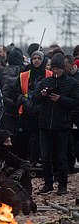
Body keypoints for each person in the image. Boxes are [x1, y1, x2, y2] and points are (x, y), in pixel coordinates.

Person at [32, 53, 79, 195]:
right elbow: (35, 99)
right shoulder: (45, 82)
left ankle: (62, 184)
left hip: (62, 126)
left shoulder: (72, 83)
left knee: (61, 156)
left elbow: (75, 102)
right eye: (54, 69)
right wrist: (42, 95)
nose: (56, 71)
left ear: (63, 68)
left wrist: (60, 99)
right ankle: (48, 183)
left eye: (58, 68)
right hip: (45, 125)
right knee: (46, 156)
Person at [3, 50, 52, 162]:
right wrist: (22, 99)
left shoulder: (49, 74)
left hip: (43, 112)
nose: (36, 60)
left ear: (43, 60)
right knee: (25, 138)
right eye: (34, 58)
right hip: (26, 112)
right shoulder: (23, 75)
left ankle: (38, 161)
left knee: (40, 139)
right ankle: (26, 161)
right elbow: (14, 93)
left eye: (39, 58)